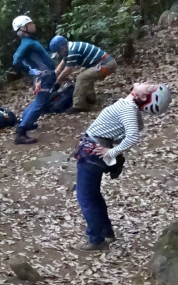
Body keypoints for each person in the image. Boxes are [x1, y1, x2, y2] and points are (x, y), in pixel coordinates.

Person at [73, 83, 172, 252]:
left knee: (86, 198)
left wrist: (112, 151)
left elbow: (133, 135)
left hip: (92, 154)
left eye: (149, 88)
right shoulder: (130, 109)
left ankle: (96, 239)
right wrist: (112, 141)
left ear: (142, 97)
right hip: (95, 151)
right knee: (93, 196)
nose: (145, 83)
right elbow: (138, 127)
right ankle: (106, 232)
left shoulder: (128, 109)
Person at [11, 15, 57, 145]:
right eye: (30, 23)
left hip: (45, 76)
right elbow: (16, 60)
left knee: (39, 101)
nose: (33, 25)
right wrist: (32, 71)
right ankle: (21, 132)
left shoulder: (30, 41)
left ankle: (25, 122)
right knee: (40, 103)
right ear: (23, 28)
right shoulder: (28, 44)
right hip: (44, 77)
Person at [50, 36, 117, 111]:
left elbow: (66, 71)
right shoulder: (70, 48)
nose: (59, 55)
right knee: (85, 74)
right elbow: (62, 63)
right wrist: (55, 74)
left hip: (106, 64)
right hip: (98, 64)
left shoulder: (73, 50)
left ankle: (79, 106)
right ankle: (90, 97)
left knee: (81, 78)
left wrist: (57, 83)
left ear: (63, 48)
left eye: (59, 52)